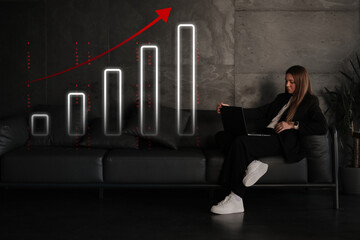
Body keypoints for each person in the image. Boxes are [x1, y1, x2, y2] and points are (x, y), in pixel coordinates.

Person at [211, 65, 327, 215]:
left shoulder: (310, 101)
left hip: (281, 141)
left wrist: (292, 124)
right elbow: (259, 112)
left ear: (301, 82)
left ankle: (236, 198)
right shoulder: (281, 98)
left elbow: (322, 126)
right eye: (286, 81)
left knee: (241, 142)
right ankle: (252, 164)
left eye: (291, 82)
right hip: (265, 135)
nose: (287, 85)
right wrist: (229, 109)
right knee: (221, 136)